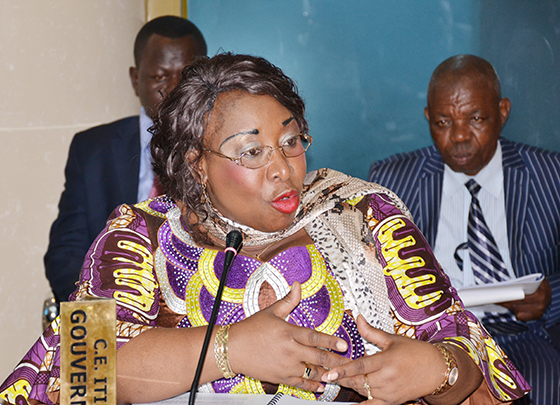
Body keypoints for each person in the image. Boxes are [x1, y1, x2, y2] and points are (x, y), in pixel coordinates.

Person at [1, 53, 529, 405]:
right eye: (252, 152)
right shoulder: (139, 234)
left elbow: (469, 355)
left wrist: (437, 370)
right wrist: (229, 349)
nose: (283, 168)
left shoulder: (363, 213)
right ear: (197, 164)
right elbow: (79, 373)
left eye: (291, 141)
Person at [369, 54, 560, 404]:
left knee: (546, 381)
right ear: (428, 118)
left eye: (475, 119)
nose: (458, 136)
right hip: (432, 338)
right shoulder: (392, 180)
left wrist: (550, 296)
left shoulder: (549, 173)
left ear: (502, 111)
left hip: (524, 333)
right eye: (443, 122)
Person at [44, 16, 207, 302]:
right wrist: (100, 310)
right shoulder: (93, 149)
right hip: (108, 307)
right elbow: (66, 250)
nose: (173, 91)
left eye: (186, 77)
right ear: (135, 79)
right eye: (159, 77)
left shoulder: (224, 149)